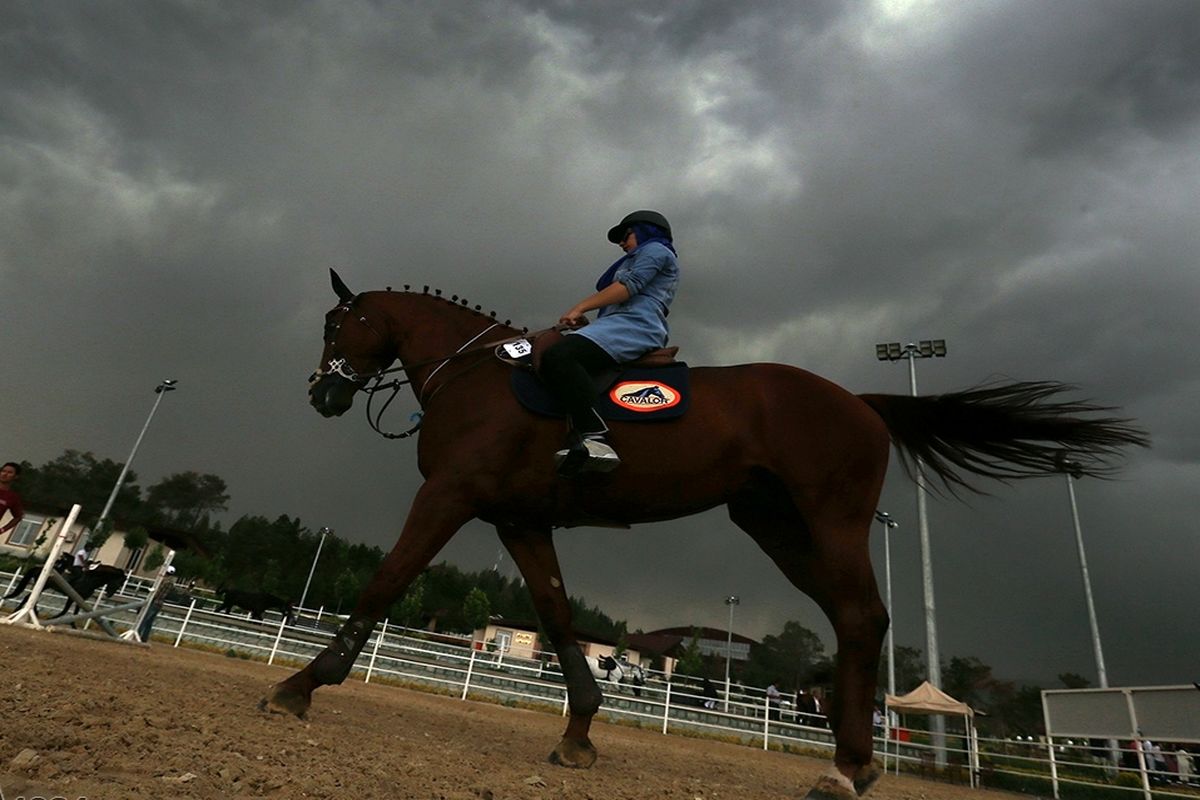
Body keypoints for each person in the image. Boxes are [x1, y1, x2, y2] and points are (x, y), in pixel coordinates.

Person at [540, 210, 679, 476]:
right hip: (616, 325)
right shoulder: (638, 257)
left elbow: (630, 286)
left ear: (646, 231)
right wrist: (590, 325)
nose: (621, 243)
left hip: (636, 326)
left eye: (625, 235)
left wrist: (580, 307)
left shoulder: (658, 251)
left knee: (561, 356)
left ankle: (595, 436)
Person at [136, 565, 177, 641]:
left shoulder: (164, 581)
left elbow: (157, 593)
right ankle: (144, 637)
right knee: (149, 622)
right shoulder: (170, 582)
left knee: (144, 619)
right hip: (159, 603)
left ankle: (137, 634)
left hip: (154, 602)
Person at [0, 462, 25, 536]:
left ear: (16, 476)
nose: (5, 474)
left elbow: (18, 517)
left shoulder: (12, 497)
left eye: (9, 472)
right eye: (3, 471)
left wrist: (2, 530)